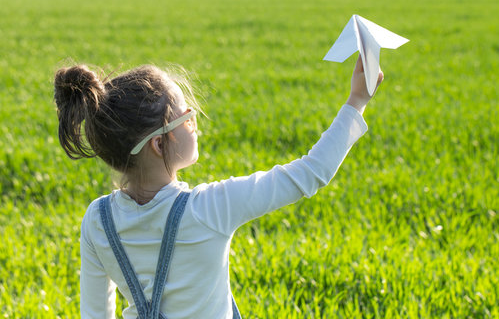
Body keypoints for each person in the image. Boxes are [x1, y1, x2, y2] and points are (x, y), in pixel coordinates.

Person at [53, 56, 383, 318]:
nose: (194, 124)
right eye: (186, 118)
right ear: (158, 143)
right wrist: (357, 100)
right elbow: (311, 172)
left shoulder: (97, 220)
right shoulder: (211, 208)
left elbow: (95, 314)